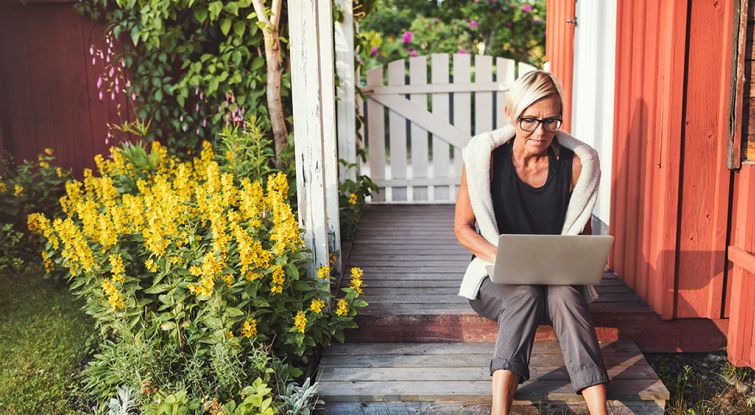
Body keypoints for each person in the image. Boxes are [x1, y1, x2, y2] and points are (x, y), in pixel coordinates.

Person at [453, 70, 609, 415]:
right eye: (530, 120)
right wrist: (506, 259)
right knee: (524, 292)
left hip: (554, 279)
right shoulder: (484, 158)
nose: (540, 132)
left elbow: (579, 233)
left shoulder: (575, 165)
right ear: (511, 113)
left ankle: (601, 411)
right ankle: (500, 411)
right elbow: (463, 229)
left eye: (551, 121)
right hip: (496, 276)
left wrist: (582, 260)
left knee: (567, 294)